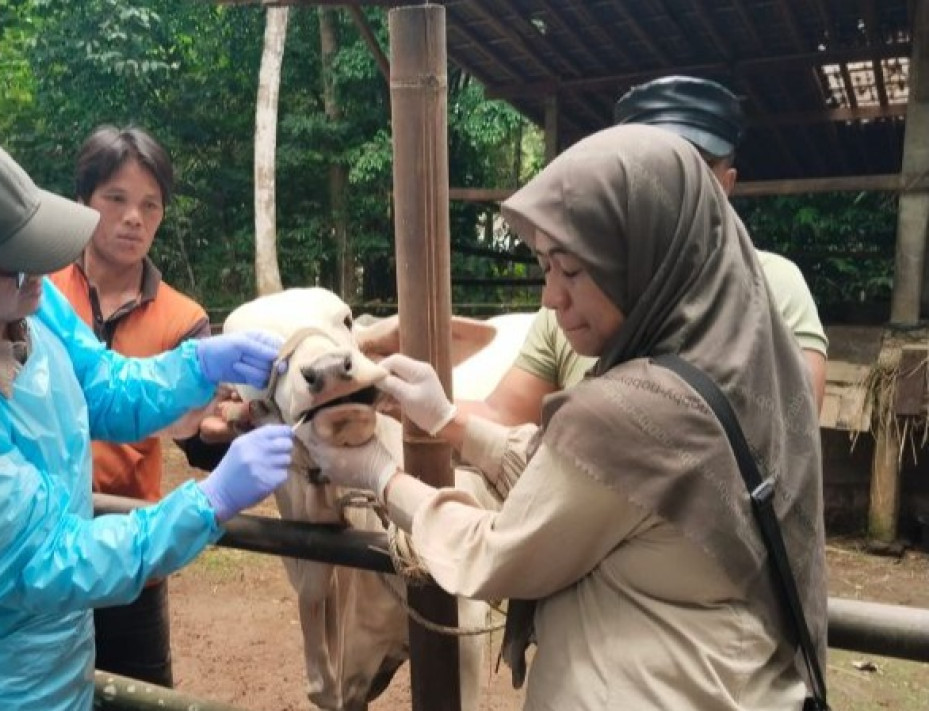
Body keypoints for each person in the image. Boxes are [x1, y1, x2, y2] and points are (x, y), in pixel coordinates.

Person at [302, 125, 828, 710]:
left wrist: (380, 474)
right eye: (546, 267)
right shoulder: (751, 371)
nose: (550, 297)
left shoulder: (631, 411)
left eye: (570, 270)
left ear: (642, 259)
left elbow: (493, 551)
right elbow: (590, 487)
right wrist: (449, 421)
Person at [0, 122, 295, 710]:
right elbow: (51, 562)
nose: (38, 275)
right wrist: (204, 504)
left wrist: (196, 365)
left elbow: (100, 384)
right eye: (15, 263)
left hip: (55, 674)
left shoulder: (22, 297)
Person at [473, 76, 829, 426]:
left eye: (693, 170)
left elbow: (792, 436)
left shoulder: (773, 285)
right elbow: (503, 417)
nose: (668, 188)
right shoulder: (570, 294)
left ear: (727, 183)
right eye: (649, 172)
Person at [47, 124, 227, 686]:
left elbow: (197, 441)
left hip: (132, 551)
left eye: (150, 206)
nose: (134, 218)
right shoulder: (39, 292)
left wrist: (223, 433)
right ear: (83, 202)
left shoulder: (183, 318)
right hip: (44, 536)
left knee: (138, 697)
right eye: (116, 199)